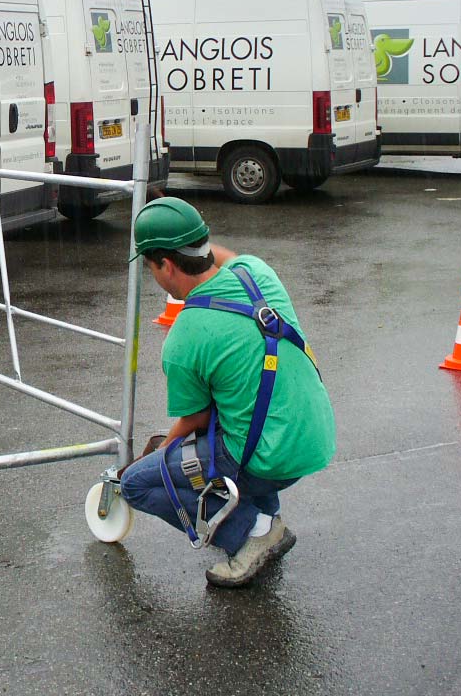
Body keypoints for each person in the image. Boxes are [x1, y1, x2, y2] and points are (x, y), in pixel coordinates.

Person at [119, 197, 335, 587]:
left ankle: (252, 533)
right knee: (235, 413)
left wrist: (159, 456)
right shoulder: (254, 272)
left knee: (141, 482)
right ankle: (263, 513)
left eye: (150, 266)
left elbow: (195, 420)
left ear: (166, 265)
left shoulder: (184, 338)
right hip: (312, 435)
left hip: (270, 457)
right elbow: (226, 255)